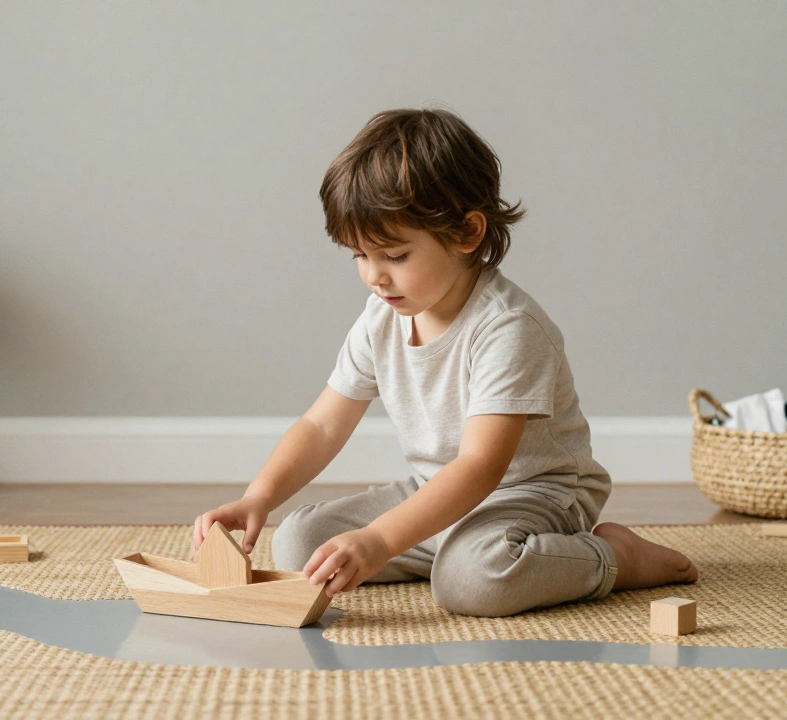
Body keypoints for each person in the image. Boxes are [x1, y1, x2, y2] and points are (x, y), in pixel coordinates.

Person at [192, 107, 697, 617]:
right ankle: (442, 547)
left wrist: (380, 540)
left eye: (394, 256)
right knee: (300, 543)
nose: (374, 277)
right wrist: (258, 497)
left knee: (470, 582)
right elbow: (322, 424)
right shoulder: (380, 318)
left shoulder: (508, 328)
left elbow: (481, 467)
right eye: (359, 256)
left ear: (467, 234)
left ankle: (613, 557)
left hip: (530, 494)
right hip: (437, 491)